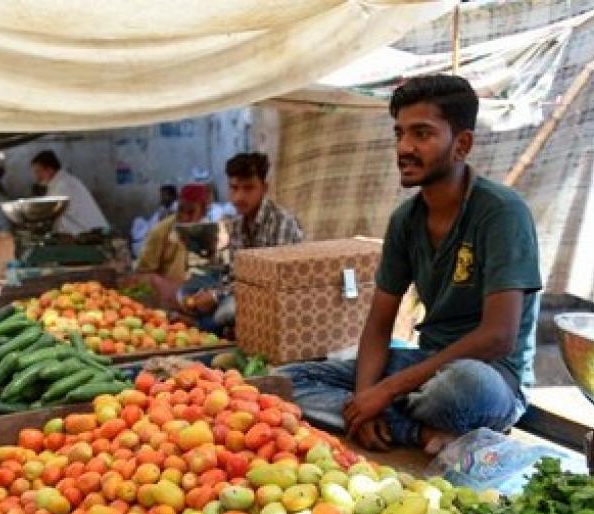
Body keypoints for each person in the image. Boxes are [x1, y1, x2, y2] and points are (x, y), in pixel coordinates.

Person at [282, 75, 541, 454]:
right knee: (287, 380)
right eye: (399, 134)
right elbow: (378, 325)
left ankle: (391, 417)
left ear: (461, 145)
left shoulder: (501, 212)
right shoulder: (405, 220)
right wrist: (367, 396)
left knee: (459, 388)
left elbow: (498, 336)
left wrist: (385, 391)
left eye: (422, 134)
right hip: (425, 365)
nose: (404, 147)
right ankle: (419, 433)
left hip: (490, 378)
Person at [186, 153, 305, 333]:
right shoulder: (236, 225)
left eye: (248, 188)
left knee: (225, 313)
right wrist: (211, 293)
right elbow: (232, 275)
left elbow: (272, 280)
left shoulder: (282, 222)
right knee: (188, 292)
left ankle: (208, 327)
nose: (239, 197)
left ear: (264, 188)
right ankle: (205, 325)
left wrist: (216, 296)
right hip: (241, 293)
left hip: (274, 300)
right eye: (234, 188)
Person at [132, 182, 209, 303]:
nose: (183, 217)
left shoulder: (209, 231)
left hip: (198, 298)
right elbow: (142, 273)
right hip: (167, 299)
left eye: (190, 212)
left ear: (203, 211)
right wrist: (165, 287)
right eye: (181, 209)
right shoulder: (161, 231)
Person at [30, 149, 109, 235]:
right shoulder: (60, 182)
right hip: (85, 234)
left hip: (91, 236)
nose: (36, 176)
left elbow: (48, 213)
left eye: (38, 171)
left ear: (49, 169)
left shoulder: (63, 185)